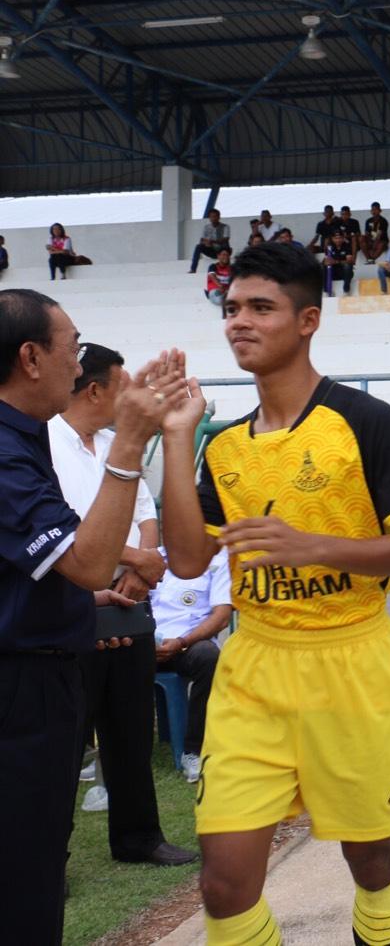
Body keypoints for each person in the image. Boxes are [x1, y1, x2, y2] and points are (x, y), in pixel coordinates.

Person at [158, 242, 390, 946]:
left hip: (353, 663)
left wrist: (314, 545)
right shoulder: (225, 447)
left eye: (261, 307)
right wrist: (177, 438)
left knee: (373, 862)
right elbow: (188, 560)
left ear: (308, 319)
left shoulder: (363, 420)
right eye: (232, 308)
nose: (239, 322)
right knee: (224, 886)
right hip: (255, 668)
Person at [0, 289, 176, 945]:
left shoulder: (21, 438)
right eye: (71, 349)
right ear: (30, 358)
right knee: (25, 875)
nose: (79, 367)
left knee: (35, 859)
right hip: (22, 687)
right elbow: (90, 561)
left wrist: (88, 599)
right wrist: (128, 443)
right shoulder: (7, 448)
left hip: (44, 668)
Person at [50, 343, 197, 866]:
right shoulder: (45, 443)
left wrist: (141, 567)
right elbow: (65, 528)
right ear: (95, 390)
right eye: (123, 386)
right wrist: (137, 557)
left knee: (131, 728)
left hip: (130, 601)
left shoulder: (118, 445)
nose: (132, 396)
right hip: (73, 604)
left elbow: (143, 510)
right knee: (65, 741)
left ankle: (139, 838)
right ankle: (52, 855)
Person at [146, 548, 230, 783]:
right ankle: (114, 752)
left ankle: (194, 750)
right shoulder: (150, 558)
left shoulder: (218, 562)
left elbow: (221, 617)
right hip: (145, 642)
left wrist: (182, 642)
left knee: (209, 656)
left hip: (187, 645)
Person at [188, 209, 231, 274]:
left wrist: (212, 242)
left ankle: (228, 269)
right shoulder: (206, 227)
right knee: (198, 246)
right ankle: (193, 269)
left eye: (215, 216)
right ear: (209, 218)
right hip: (212, 250)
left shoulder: (225, 227)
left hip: (222, 249)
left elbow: (226, 239)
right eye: (212, 217)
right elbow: (202, 239)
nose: (213, 218)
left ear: (219, 217)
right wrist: (206, 243)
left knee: (225, 244)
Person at [322, 229, 356, 298]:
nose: (338, 240)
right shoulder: (329, 247)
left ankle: (346, 291)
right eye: (336, 238)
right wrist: (325, 262)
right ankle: (327, 291)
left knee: (347, 266)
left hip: (343, 273)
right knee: (323, 267)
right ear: (332, 239)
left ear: (343, 238)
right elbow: (325, 260)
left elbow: (350, 261)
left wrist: (336, 262)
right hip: (333, 273)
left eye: (340, 238)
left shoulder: (347, 246)